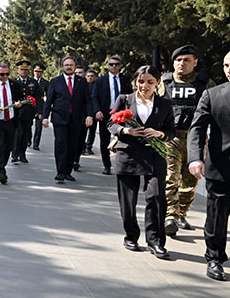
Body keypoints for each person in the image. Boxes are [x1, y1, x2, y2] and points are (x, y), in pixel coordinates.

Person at [108, 65, 175, 258]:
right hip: (128, 155)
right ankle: (131, 236)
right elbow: (111, 123)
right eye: (140, 81)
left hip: (155, 157)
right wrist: (125, 131)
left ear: (157, 83)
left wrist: (160, 133)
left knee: (156, 198)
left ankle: (155, 241)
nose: (144, 86)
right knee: (128, 201)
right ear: (135, 81)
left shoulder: (165, 104)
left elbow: (171, 131)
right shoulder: (124, 99)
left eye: (149, 82)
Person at [162, 45, 214, 235]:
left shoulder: (204, 83)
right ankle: (170, 216)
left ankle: (182, 213)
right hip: (170, 136)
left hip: (196, 137)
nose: (181, 64)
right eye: (178, 60)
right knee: (170, 177)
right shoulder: (164, 81)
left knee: (190, 179)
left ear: (195, 63)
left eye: (186, 60)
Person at [188, 50, 230, 281]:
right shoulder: (212, 95)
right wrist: (195, 157)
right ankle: (214, 258)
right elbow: (197, 128)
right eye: (225, 65)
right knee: (217, 216)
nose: (229, 69)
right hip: (221, 166)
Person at [43, 55, 94, 183]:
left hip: (76, 119)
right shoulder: (55, 81)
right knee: (61, 144)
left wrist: (89, 115)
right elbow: (49, 101)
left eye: (71, 65)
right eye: (66, 65)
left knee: (72, 146)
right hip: (60, 118)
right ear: (63, 67)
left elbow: (87, 100)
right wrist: (45, 117)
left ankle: (68, 172)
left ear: (75, 67)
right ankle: (60, 172)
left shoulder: (81, 82)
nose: (69, 67)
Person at [91, 56, 132, 175]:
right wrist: (97, 110)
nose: (114, 66)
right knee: (104, 141)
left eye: (117, 64)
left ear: (120, 66)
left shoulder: (125, 80)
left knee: (122, 139)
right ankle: (107, 165)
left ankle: (122, 164)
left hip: (121, 114)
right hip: (105, 113)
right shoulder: (100, 80)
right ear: (108, 66)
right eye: (112, 64)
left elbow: (129, 96)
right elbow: (95, 97)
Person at [11, 60, 41, 164]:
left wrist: (39, 112)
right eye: (22, 69)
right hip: (16, 113)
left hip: (28, 113)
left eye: (26, 70)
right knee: (17, 134)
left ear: (29, 71)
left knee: (25, 134)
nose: (24, 71)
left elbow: (38, 98)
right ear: (18, 70)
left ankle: (22, 154)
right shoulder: (13, 82)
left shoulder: (33, 82)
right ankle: (14, 154)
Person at [31, 63, 50, 150]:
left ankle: (36, 143)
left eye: (39, 71)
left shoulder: (45, 83)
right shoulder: (29, 81)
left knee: (38, 126)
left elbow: (49, 95)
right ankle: (28, 139)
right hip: (30, 105)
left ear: (42, 72)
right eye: (36, 71)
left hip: (40, 105)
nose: (37, 73)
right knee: (27, 125)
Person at [84, 68, 98, 154]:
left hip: (94, 111)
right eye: (88, 76)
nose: (90, 78)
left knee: (92, 131)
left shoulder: (97, 86)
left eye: (92, 76)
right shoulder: (83, 86)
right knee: (83, 131)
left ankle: (89, 147)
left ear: (95, 77)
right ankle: (82, 146)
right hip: (84, 112)